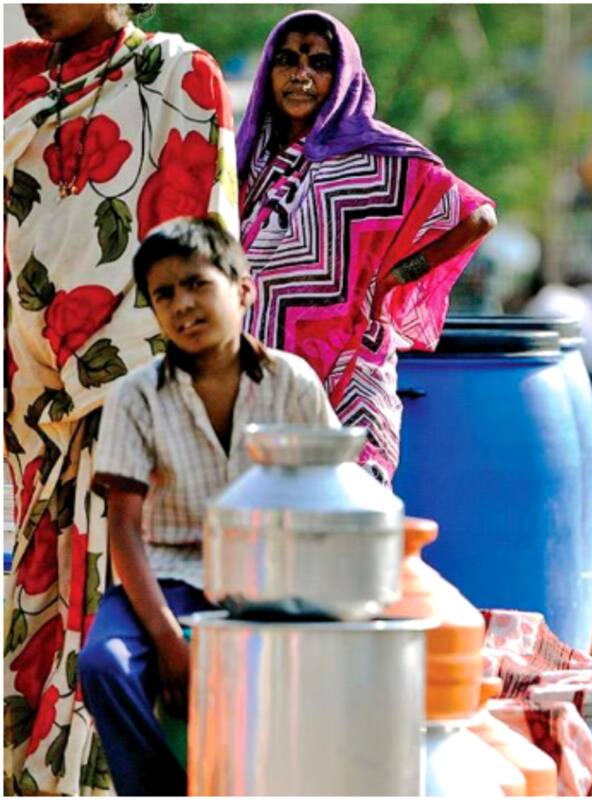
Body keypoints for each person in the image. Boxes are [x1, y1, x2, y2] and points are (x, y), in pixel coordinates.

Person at [4, 5, 237, 793]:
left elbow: (194, 244)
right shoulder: (13, 87)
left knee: (120, 625)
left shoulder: (181, 77)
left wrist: (105, 377)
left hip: (137, 406)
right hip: (39, 408)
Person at [77, 217, 338, 796]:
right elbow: (124, 526)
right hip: (170, 576)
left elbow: (331, 498)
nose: (182, 306)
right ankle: (161, 791)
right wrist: (169, 642)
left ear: (244, 289)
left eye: (197, 284)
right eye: (164, 294)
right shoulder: (135, 395)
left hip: (274, 576)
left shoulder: (292, 382)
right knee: (104, 666)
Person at [236, 9, 497, 483]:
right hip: (259, 366)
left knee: (350, 506)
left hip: (349, 365)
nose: (301, 75)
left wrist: (400, 275)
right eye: (288, 60)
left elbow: (476, 216)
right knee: (264, 512)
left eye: (320, 63)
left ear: (343, 77)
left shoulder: (377, 157)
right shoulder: (250, 155)